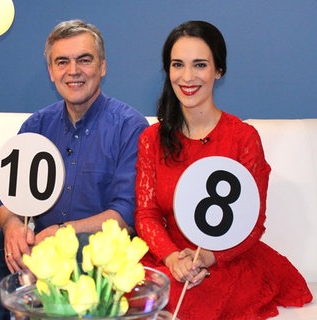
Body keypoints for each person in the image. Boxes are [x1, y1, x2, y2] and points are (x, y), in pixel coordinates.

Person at [0, 19, 148, 320]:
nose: (73, 71)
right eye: (62, 62)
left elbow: (124, 216)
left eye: (84, 60)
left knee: (82, 247)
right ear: (51, 72)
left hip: (93, 255)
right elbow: (5, 200)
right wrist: (13, 227)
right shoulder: (36, 126)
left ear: (103, 66)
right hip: (38, 247)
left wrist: (60, 234)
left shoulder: (130, 127)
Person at [134, 20, 313, 319]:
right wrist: (172, 258)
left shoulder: (243, 138)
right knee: (133, 289)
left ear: (218, 70)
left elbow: (252, 223)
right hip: (169, 256)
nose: (187, 76)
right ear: (169, 71)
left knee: (193, 301)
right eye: (178, 64)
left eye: (200, 65)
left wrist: (209, 257)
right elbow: (146, 214)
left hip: (226, 262)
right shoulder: (152, 139)